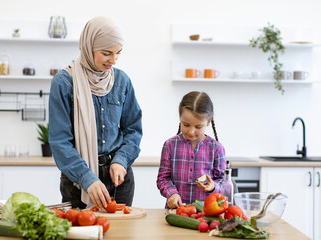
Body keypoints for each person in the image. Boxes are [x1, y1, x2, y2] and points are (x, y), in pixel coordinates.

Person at [49, 16, 142, 210]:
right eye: (107, 53)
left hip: (119, 179)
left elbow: (133, 129)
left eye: (118, 53)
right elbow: (60, 141)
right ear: (88, 46)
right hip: (77, 182)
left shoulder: (122, 81)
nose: (113, 60)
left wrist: (121, 161)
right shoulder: (64, 82)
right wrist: (86, 178)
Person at [156, 91, 226, 209]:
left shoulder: (217, 148)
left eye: (198, 127)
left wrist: (213, 187)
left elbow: (222, 181)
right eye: (186, 124)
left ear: (208, 122)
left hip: (206, 212)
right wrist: (171, 193)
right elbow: (163, 178)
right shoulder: (170, 145)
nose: (191, 131)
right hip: (176, 212)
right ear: (180, 118)